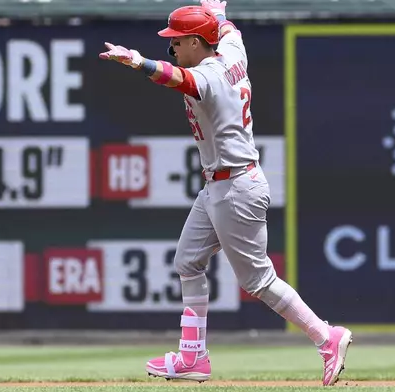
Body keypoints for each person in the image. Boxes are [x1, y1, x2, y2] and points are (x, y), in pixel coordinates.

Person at [98, 0, 352, 386]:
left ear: (197, 43)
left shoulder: (210, 75)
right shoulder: (230, 51)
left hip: (236, 187)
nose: (173, 49)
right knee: (187, 262)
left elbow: (174, 78)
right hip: (220, 184)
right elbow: (230, 31)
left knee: (258, 281)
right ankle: (192, 357)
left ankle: (325, 336)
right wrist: (216, 13)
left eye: (177, 42)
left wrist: (137, 61)